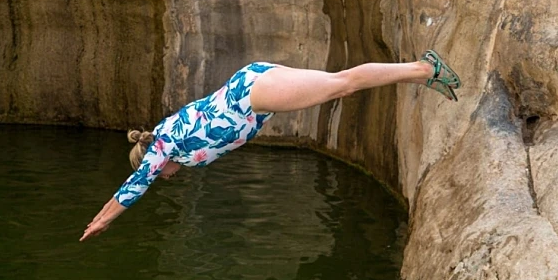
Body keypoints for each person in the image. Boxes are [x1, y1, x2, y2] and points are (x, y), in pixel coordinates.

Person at [79, 50, 460, 242]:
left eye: (162, 176)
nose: (167, 177)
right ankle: (422, 75)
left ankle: (425, 69)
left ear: (153, 163)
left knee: (342, 84)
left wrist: (103, 220)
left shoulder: (162, 147)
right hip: (253, 84)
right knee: (339, 84)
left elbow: (134, 186)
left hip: (253, 95)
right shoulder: (168, 135)